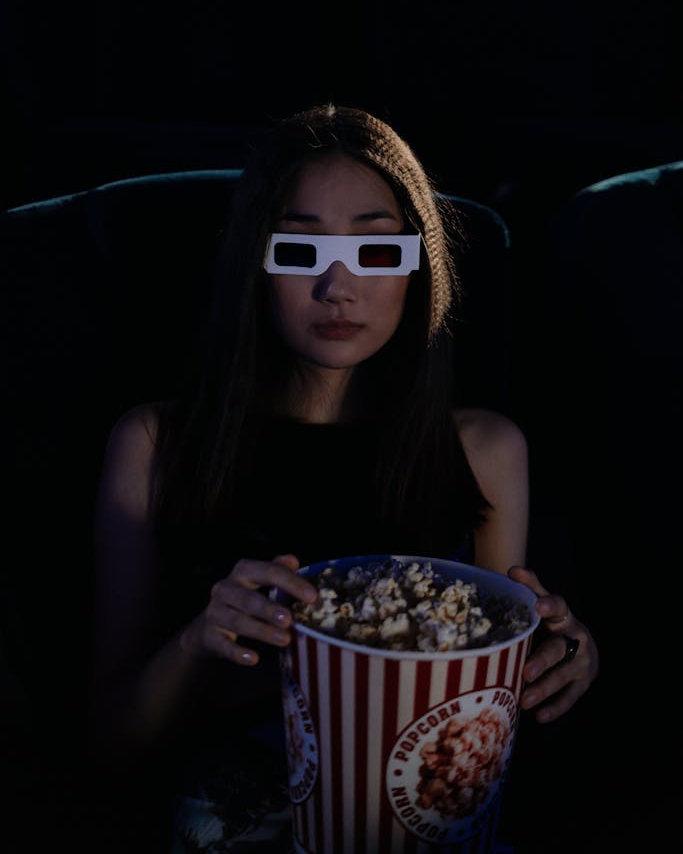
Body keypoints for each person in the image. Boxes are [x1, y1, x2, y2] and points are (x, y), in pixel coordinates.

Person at [89, 104, 599, 852]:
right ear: (254, 262)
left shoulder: (485, 448)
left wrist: (565, 654)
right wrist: (202, 636)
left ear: (416, 266)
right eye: (300, 251)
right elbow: (108, 744)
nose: (337, 286)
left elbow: (492, 709)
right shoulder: (155, 444)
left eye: (375, 251)